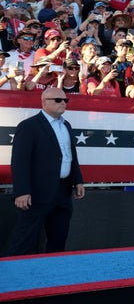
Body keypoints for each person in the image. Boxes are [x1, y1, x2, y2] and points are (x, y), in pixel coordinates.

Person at [6, 88, 85, 256]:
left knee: (58, 238)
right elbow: (20, 161)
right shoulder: (29, 126)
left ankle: (53, 274)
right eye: (57, 100)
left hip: (63, 191)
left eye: (65, 100)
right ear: (44, 102)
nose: (63, 102)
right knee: (24, 239)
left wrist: (78, 180)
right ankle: (14, 275)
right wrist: (22, 191)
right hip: (37, 192)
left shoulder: (66, 125)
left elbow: (70, 155)